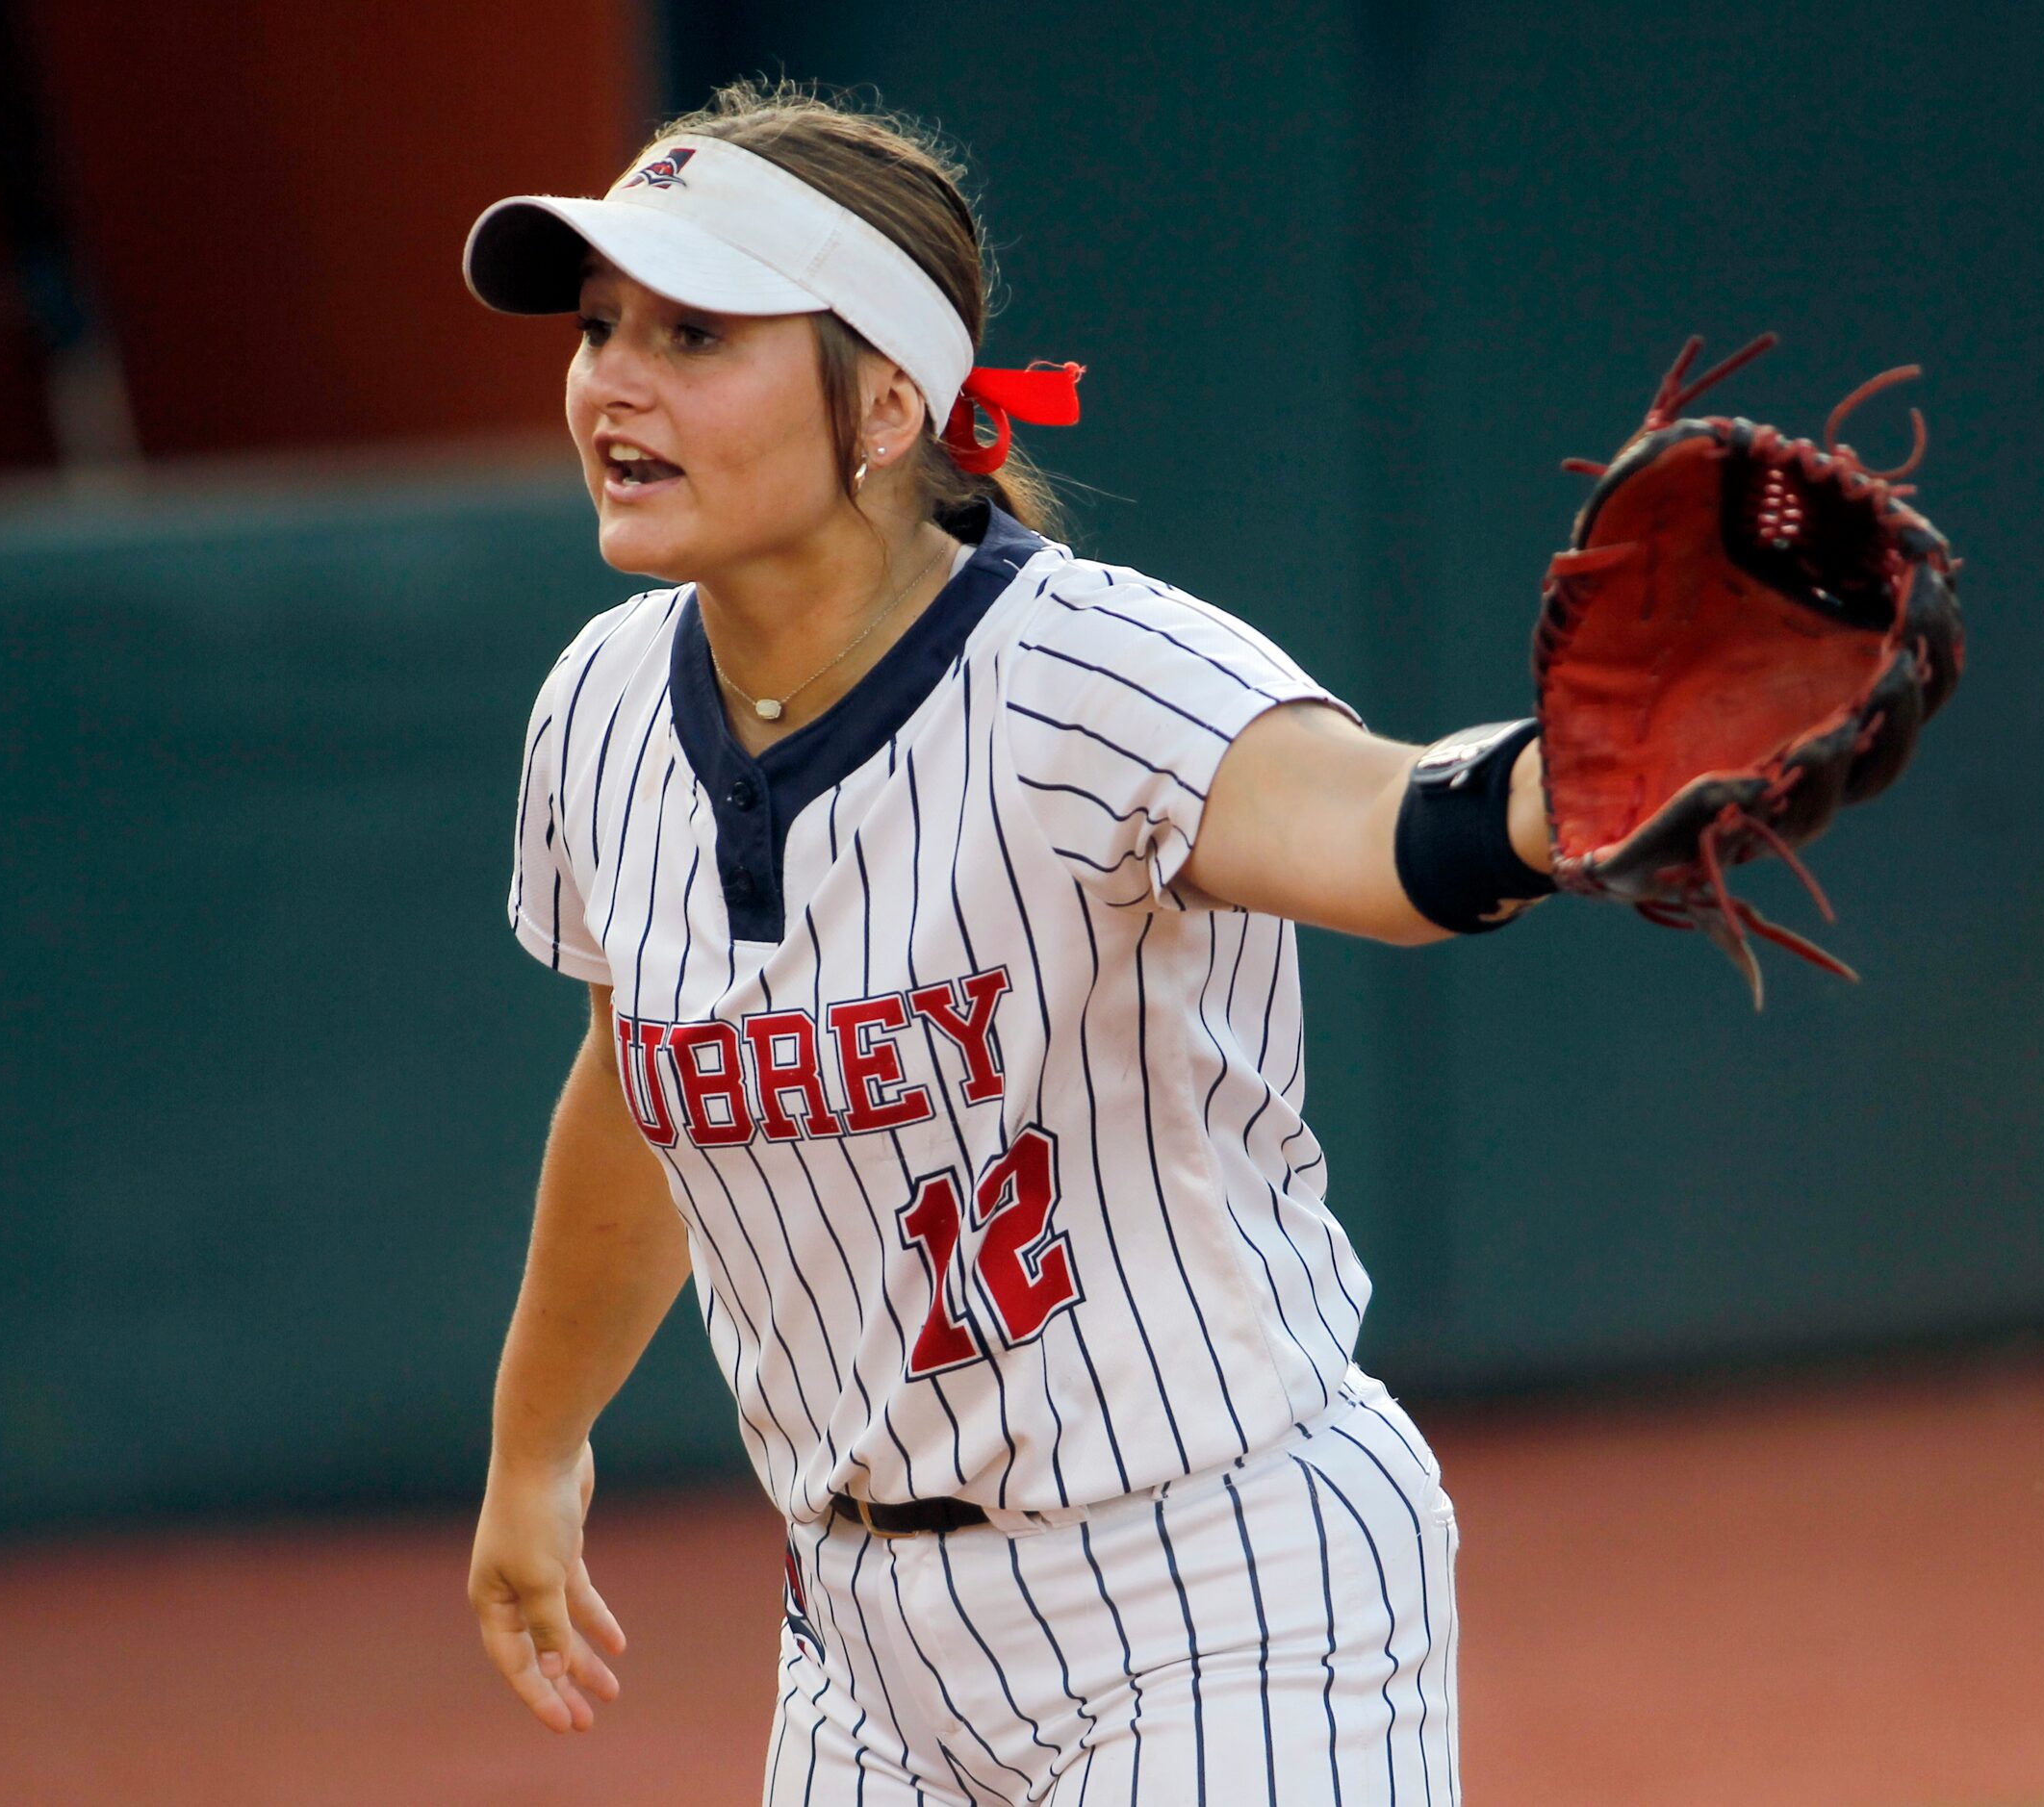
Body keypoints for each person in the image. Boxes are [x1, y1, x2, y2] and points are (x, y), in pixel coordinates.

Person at [462, 78, 1555, 1801]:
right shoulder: (599, 713)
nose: (614, 378)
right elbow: (638, 1102)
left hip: (1221, 1590)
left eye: (693, 330)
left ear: (886, 403)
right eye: (601, 327)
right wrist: (535, 1446)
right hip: (858, 1640)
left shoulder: (1088, 671)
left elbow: (1378, 823)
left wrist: (1563, 787)